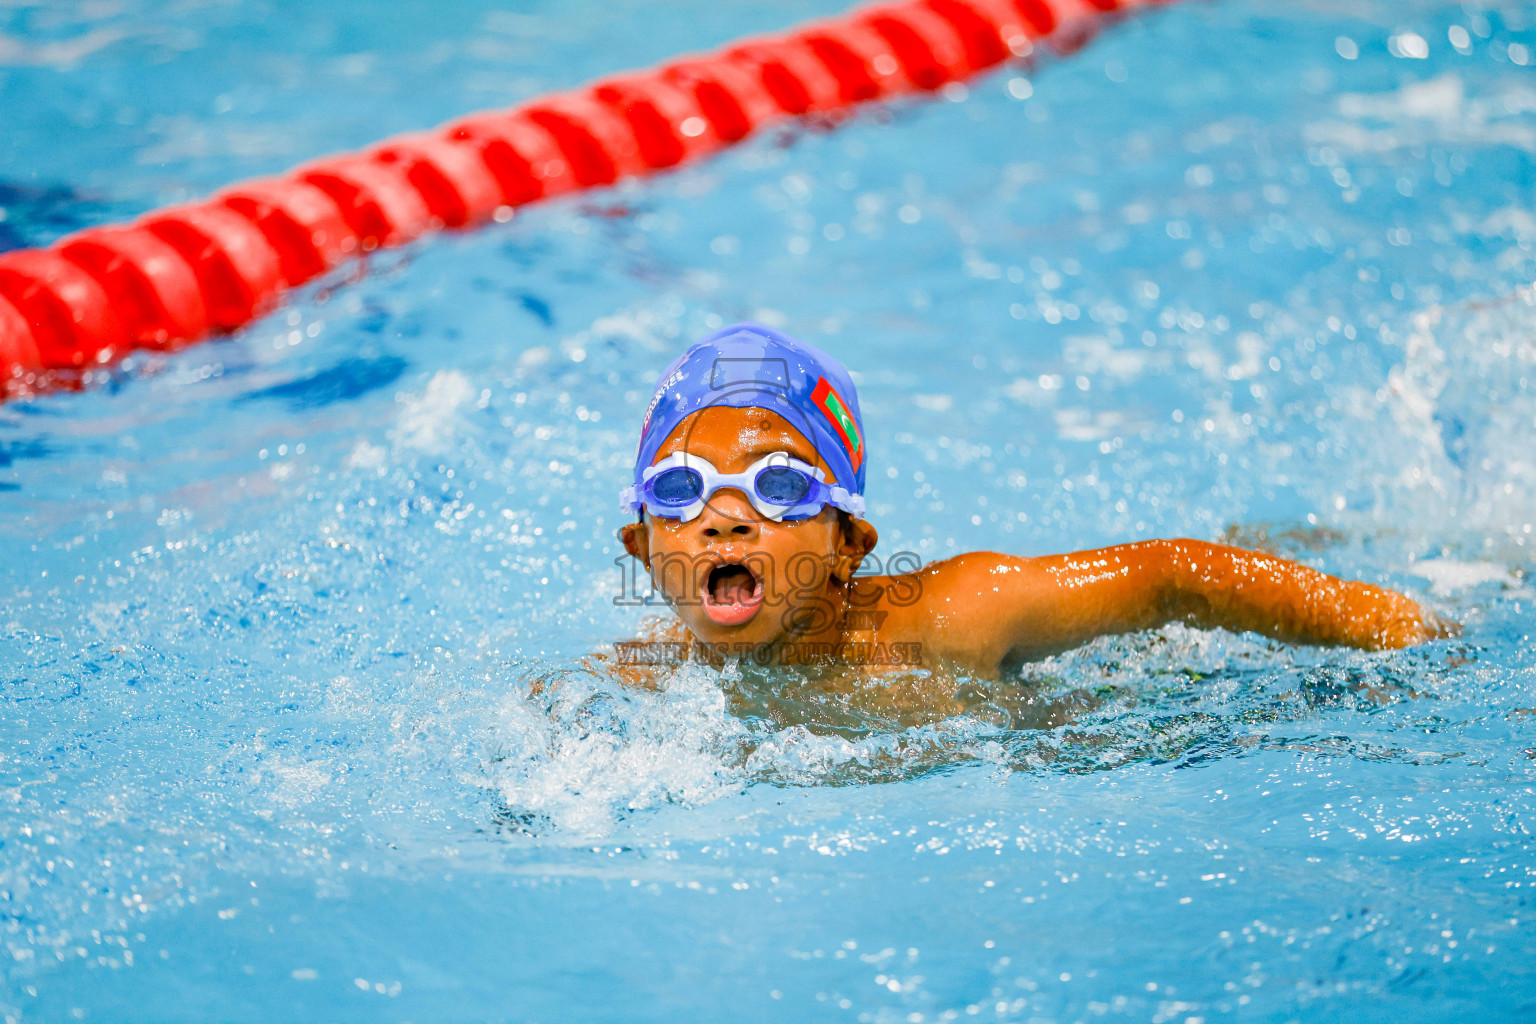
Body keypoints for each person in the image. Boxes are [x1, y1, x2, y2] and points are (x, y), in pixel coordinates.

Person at [615, 321, 1453, 685]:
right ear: (644, 549)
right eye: (680, 491)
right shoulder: (647, 688)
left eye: (781, 487)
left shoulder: (952, 618)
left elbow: (1172, 574)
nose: (723, 518)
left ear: (849, 544)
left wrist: (1409, 634)